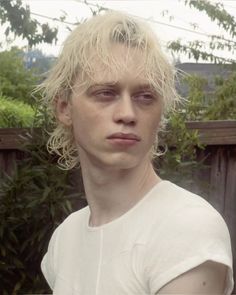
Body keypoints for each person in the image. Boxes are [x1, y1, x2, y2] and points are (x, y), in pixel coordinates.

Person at [39, 10, 234, 294]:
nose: (128, 114)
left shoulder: (186, 228)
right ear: (64, 108)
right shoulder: (64, 240)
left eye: (145, 97)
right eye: (106, 93)